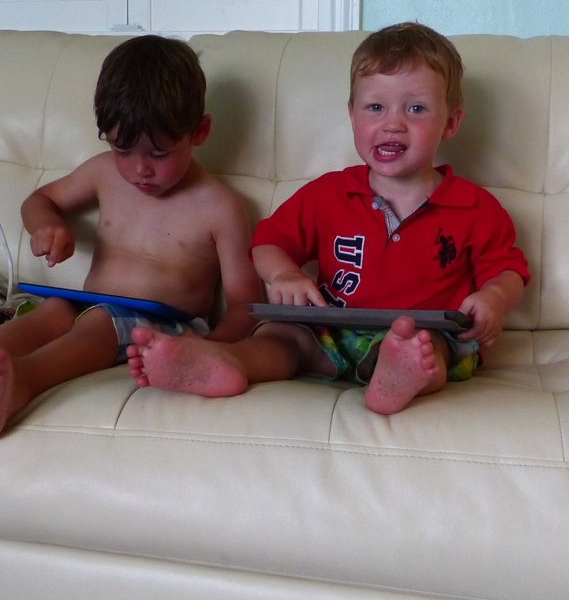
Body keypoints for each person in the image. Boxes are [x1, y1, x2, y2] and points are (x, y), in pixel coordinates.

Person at [128, 22, 529, 414]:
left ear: (451, 123)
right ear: (352, 115)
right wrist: (284, 274)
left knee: (429, 350)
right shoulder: (329, 194)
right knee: (283, 338)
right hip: (328, 331)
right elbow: (268, 242)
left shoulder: (475, 207)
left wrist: (494, 298)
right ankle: (226, 365)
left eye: (416, 108)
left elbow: (508, 270)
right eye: (375, 107)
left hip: (422, 333)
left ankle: (395, 377)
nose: (393, 123)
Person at [0, 35, 264, 443]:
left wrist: (209, 348)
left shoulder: (219, 207)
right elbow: (40, 199)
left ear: (200, 132)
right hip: (87, 306)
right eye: (123, 149)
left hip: (164, 328)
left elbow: (245, 303)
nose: (140, 169)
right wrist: (47, 225)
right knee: (51, 310)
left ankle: (19, 383)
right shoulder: (103, 173)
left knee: (101, 324)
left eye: (159, 154)